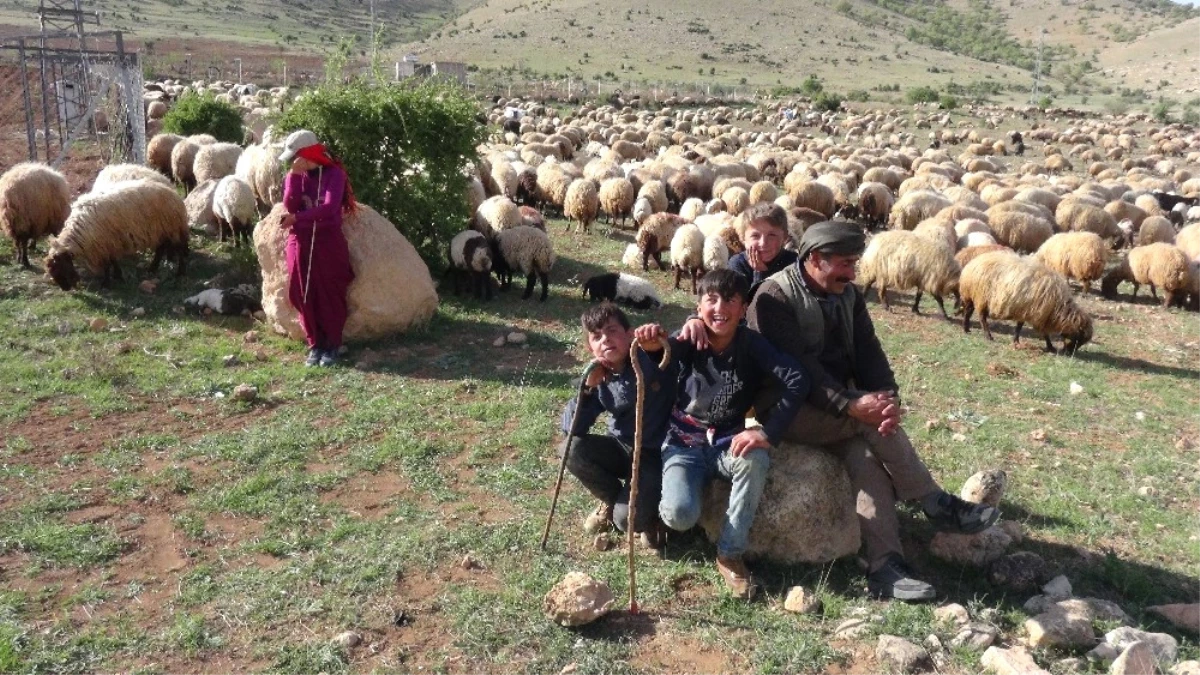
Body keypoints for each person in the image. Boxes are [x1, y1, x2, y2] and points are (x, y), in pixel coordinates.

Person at [746, 220, 1000, 601]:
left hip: (837, 411)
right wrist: (852, 406)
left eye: (854, 262)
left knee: (865, 459)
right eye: (844, 263)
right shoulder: (775, 297)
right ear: (815, 258)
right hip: (786, 409)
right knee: (867, 427)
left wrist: (886, 396)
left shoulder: (846, 294)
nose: (852, 272)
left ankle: (885, 567)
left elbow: (868, 351)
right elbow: (799, 370)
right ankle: (932, 501)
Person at [633, 270, 810, 599]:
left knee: (755, 459)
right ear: (699, 306)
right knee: (680, 516)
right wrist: (651, 346)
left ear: (743, 308)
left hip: (727, 441)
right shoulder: (689, 339)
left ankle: (730, 553)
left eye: (730, 301)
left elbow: (797, 378)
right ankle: (662, 515)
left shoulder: (752, 345)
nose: (720, 308)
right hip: (683, 443)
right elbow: (660, 361)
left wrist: (768, 433)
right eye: (710, 300)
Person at [560, 303, 678, 550]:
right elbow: (571, 428)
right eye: (596, 336)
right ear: (589, 347)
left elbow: (677, 341)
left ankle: (648, 514)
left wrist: (655, 337)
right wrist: (588, 389)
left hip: (654, 455)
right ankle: (613, 499)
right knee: (570, 449)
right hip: (621, 447)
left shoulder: (652, 355)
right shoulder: (600, 374)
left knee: (627, 521)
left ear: (629, 333)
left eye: (612, 330)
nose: (605, 339)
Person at [278, 129, 357, 367]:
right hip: (300, 240)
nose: (293, 162)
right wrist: (293, 176)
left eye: (296, 157)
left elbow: (330, 208)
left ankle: (332, 344)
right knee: (300, 290)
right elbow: (290, 205)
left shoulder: (334, 174)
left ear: (308, 153)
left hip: (327, 241)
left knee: (329, 292)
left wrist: (298, 219)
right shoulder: (297, 175)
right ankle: (315, 344)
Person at [726, 202, 798, 300]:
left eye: (772, 235)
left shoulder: (793, 263)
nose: (763, 243)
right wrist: (759, 273)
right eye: (755, 236)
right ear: (743, 238)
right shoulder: (738, 264)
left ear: (784, 237)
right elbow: (742, 307)